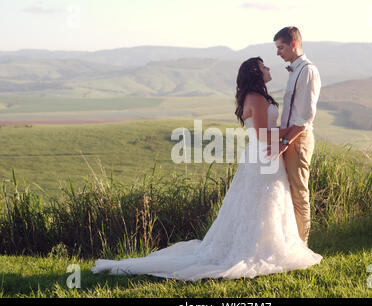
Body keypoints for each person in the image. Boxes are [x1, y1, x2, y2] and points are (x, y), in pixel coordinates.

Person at [91, 57, 322, 281]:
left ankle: (262, 244)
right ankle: (262, 248)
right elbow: (262, 134)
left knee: (257, 201)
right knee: (266, 199)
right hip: (264, 155)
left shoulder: (253, 97)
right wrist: (294, 129)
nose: (268, 68)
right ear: (255, 73)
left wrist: (286, 132)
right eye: (263, 66)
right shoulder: (257, 98)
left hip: (259, 155)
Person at [271, 26, 321, 247]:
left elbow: (304, 118)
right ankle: (289, 242)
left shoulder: (308, 71)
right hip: (289, 137)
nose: (278, 53)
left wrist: (284, 142)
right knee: (287, 191)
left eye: (281, 47)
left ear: (293, 44)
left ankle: (302, 246)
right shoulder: (295, 70)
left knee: (299, 193)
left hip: (297, 139)